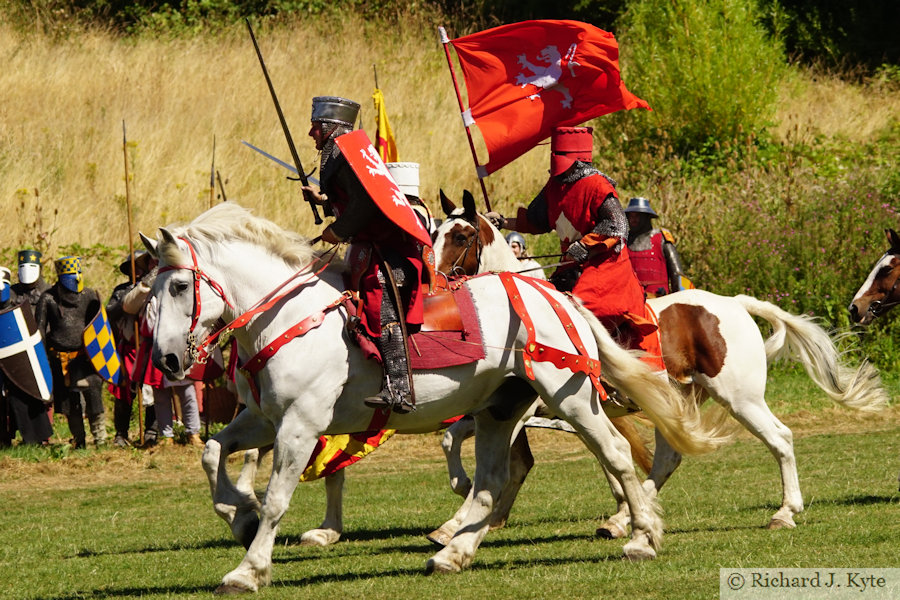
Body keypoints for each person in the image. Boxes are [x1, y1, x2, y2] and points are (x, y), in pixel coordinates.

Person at [485, 126, 663, 369]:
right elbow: (537, 221)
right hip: (570, 265)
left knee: (580, 309)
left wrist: (586, 245)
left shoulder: (597, 185)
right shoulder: (554, 187)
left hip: (605, 266)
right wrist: (504, 223)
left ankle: (597, 369)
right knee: (546, 306)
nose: (555, 159)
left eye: (560, 153)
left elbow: (617, 225)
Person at [302, 96, 429, 413]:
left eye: (316, 127)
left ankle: (399, 389)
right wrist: (323, 201)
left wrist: (338, 230)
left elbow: (366, 205)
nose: (311, 133)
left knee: (382, 306)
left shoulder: (346, 154)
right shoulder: (343, 153)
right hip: (371, 248)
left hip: (390, 251)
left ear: (330, 127)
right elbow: (351, 199)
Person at [35, 256, 107, 449]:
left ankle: (101, 439)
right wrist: (40, 359)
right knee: (70, 404)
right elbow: (40, 331)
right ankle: (79, 440)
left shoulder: (90, 296)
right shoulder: (48, 298)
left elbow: (100, 329)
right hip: (60, 359)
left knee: (94, 399)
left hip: (86, 358)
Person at [3, 251, 54, 446]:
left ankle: (43, 437)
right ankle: (14, 435)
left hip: (41, 350)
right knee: (14, 395)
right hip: (14, 354)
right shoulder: (12, 292)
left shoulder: (49, 292)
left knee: (44, 393)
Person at [105, 250, 153, 447]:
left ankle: (152, 430)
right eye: (135, 267)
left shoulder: (155, 289)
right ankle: (121, 433)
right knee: (123, 393)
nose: (139, 270)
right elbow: (110, 314)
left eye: (142, 266)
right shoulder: (121, 290)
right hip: (129, 348)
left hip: (148, 347)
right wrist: (130, 297)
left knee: (152, 391)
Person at [624, 197, 691, 297]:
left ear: (647, 217)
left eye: (637, 216)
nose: (633, 220)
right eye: (631, 216)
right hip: (629, 299)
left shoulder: (662, 239)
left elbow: (677, 274)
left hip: (659, 300)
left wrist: (681, 300)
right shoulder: (622, 241)